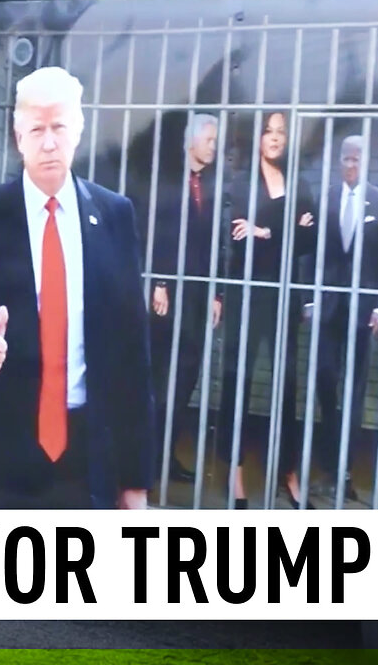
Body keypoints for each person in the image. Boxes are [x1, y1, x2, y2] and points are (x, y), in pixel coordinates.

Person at [0, 66, 155, 510]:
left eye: (59, 126)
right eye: (36, 129)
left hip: (87, 454)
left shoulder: (115, 215)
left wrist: (135, 480)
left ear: (77, 130)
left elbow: (132, 354)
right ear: (18, 135)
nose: (48, 142)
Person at [218, 110, 316, 508]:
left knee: (287, 386)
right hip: (247, 293)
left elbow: (310, 239)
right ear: (257, 137)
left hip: (284, 296)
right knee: (237, 382)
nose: (275, 137)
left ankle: (287, 474)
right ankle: (234, 475)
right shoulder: (241, 185)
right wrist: (286, 225)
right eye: (269, 131)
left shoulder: (299, 183)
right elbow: (240, 238)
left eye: (281, 132)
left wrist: (267, 230)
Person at [310, 134, 378, 502]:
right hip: (328, 306)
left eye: (357, 158)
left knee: (355, 390)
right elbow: (311, 254)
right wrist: (309, 300)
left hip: (363, 310)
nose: (350, 164)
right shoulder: (325, 197)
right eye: (345, 158)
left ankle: (344, 469)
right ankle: (329, 462)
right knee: (326, 381)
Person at [148, 113, 226, 485]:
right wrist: (160, 281)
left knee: (186, 376)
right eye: (209, 139)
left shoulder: (208, 185)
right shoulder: (168, 180)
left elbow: (214, 243)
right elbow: (155, 232)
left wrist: (216, 292)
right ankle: (146, 456)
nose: (213, 145)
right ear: (191, 141)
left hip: (197, 293)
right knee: (162, 374)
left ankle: (166, 454)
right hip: (170, 291)